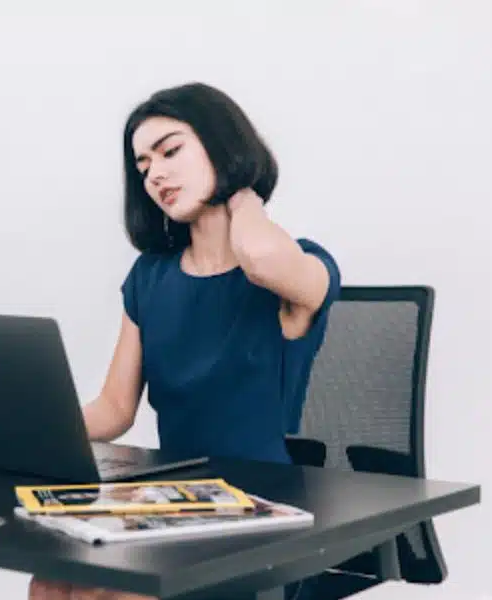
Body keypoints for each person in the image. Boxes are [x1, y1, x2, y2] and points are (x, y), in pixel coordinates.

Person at [27, 82, 341, 600]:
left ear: (222, 146)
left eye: (171, 150)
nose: (155, 174)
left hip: (262, 514)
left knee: (107, 596)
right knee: (52, 580)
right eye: (144, 164)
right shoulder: (150, 277)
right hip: (177, 502)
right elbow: (114, 409)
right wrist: (30, 435)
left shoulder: (299, 268)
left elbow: (260, 260)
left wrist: (243, 195)